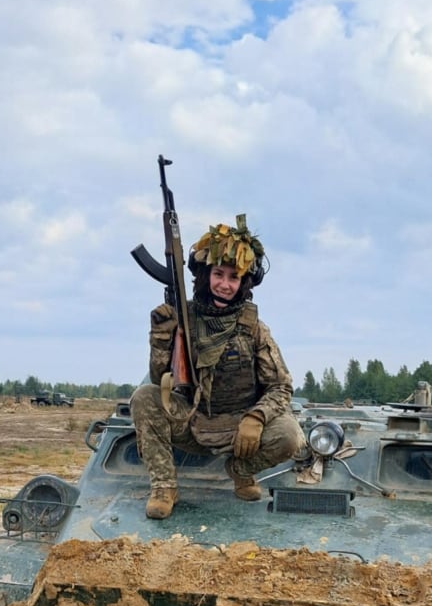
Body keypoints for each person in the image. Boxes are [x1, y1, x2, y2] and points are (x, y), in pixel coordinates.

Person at [130, 216, 304, 519]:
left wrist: (257, 417)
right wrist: (160, 338)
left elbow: (281, 386)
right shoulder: (185, 317)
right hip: (192, 421)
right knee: (144, 397)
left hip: (240, 430)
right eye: (218, 274)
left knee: (289, 435)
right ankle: (164, 487)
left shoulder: (254, 328)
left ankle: (240, 470)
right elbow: (162, 380)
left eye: (233, 277)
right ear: (205, 275)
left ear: (244, 283)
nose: (224, 284)